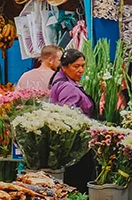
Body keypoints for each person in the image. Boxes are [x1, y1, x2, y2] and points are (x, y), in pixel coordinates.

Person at [48, 48, 96, 193]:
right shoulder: (67, 88)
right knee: (78, 185)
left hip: (74, 147)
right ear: (64, 67)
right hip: (75, 148)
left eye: (83, 66)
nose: (81, 70)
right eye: (76, 66)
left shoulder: (63, 82)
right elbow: (69, 118)